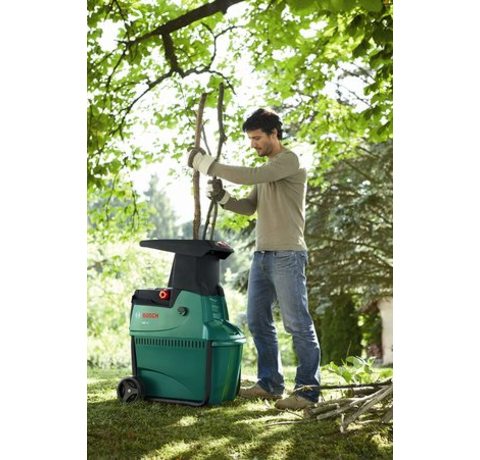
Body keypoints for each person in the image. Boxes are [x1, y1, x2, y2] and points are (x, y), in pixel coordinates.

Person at [188, 108, 321, 410]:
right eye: (250, 139)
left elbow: (253, 174)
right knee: (258, 321)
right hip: (262, 256)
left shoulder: (289, 161)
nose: (253, 144)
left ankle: (308, 392)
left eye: (257, 138)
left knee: (297, 323)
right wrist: (222, 198)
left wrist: (205, 163)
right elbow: (249, 207)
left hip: (288, 254)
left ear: (274, 133)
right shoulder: (267, 170)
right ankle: (270, 384)